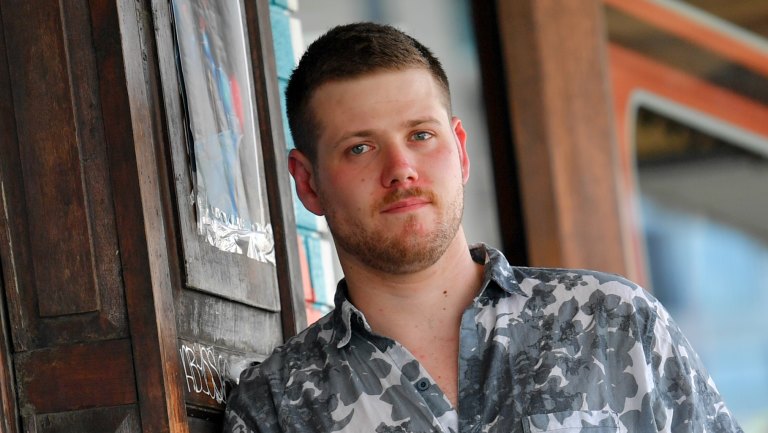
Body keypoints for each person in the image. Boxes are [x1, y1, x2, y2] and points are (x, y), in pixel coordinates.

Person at [224, 22, 742, 433]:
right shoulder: (278, 407)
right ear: (308, 183)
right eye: (360, 148)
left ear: (461, 150)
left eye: (421, 135)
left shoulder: (614, 322)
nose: (401, 169)